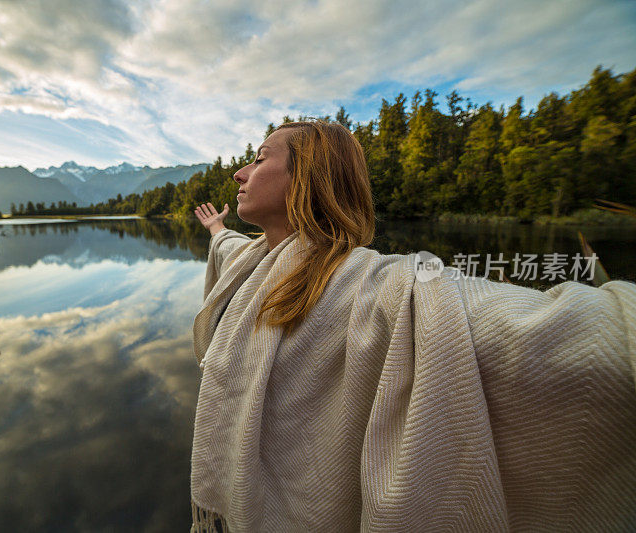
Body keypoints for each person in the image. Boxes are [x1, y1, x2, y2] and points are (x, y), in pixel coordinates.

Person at [189, 120, 636, 532]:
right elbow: (230, 248)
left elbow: (554, 333)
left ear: (306, 177)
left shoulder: (381, 288)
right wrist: (216, 230)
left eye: (261, 157)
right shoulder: (251, 261)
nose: (240, 174)